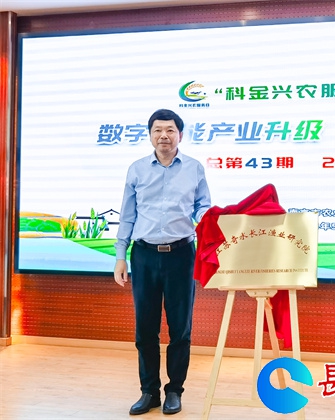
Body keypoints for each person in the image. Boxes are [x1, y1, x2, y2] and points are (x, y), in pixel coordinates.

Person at [114, 109, 211, 415]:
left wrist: (209, 217)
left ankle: (174, 391)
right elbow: (127, 216)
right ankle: (149, 392)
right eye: (157, 130)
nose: (164, 136)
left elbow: (202, 206)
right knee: (145, 329)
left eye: (170, 130)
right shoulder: (137, 170)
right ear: (150, 134)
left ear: (180, 134)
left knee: (180, 329)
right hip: (144, 256)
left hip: (181, 255)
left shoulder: (194, 168)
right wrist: (120, 256)